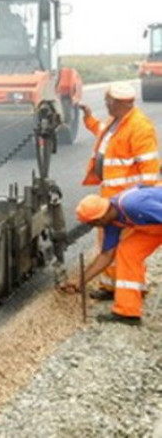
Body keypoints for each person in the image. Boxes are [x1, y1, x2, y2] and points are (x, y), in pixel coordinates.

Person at [78, 81, 159, 300]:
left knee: (126, 246)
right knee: (107, 242)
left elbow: (150, 168)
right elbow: (102, 134)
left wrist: (141, 199)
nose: (106, 105)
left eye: (109, 102)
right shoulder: (116, 121)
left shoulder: (140, 127)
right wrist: (88, 118)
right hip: (112, 196)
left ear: (123, 103)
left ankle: (132, 288)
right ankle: (111, 287)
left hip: (128, 201)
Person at [58, 187, 162, 325]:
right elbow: (106, 255)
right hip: (154, 226)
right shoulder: (112, 221)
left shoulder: (133, 205)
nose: (94, 227)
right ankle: (128, 312)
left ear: (100, 218)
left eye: (92, 223)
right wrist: (80, 282)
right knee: (127, 252)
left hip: (156, 221)